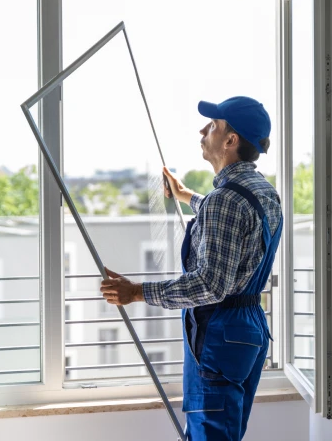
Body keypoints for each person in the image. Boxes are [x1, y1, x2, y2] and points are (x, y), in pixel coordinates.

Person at [100, 96, 283, 441]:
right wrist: (187, 196)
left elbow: (210, 285)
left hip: (218, 334)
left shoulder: (224, 201)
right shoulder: (263, 191)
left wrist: (137, 292)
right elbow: (233, 222)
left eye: (213, 125)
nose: (203, 130)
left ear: (230, 140)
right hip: (248, 330)